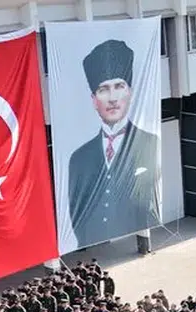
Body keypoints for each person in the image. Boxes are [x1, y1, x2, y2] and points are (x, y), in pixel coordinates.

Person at [67, 39, 160, 245]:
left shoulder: (150, 143)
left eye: (119, 86)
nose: (112, 98)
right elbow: (76, 211)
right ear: (93, 99)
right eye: (103, 89)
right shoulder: (79, 158)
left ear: (131, 92)